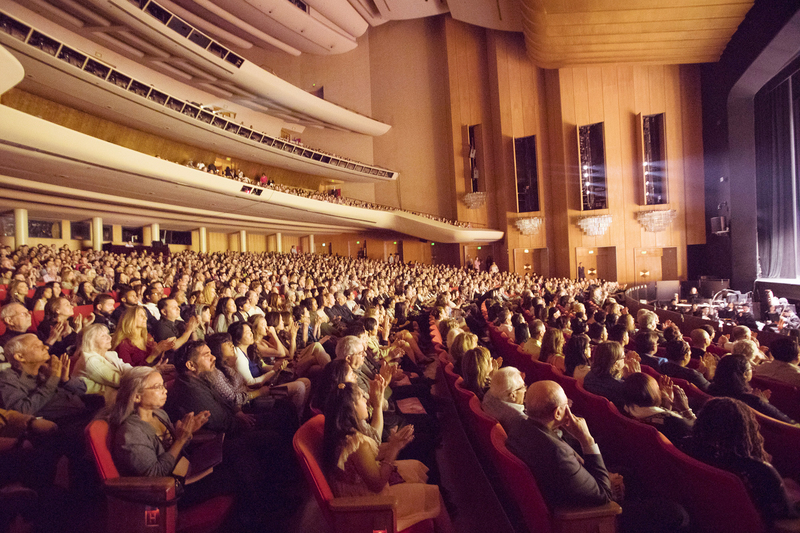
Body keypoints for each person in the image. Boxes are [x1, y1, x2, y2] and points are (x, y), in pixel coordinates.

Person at [322, 381, 449, 532]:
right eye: (361, 397)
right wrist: (393, 449)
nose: (366, 399)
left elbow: (369, 456)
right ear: (351, 408)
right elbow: (377, 484)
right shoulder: (355, 443)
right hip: (370, 507)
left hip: (358, 492)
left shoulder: (343, 435)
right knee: (434, 495)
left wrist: (393, 443)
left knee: (415, 466)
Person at [687, 398, 800, 524]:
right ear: (746, 430)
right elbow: (785, 516)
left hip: (710, 515)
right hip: (765, 520)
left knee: (789, 482)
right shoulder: (760, 470)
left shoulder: (687, 446)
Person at [505, 380, 614, 508]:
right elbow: (604, 495)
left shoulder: (519, 425)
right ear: (557, 413)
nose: (569, 406)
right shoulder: (558, 453)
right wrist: (586, 439)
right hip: (578, 512)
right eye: (566, 403)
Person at [708, 354, 795, 424]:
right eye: (750, 369)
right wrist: (764, 402)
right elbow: (787, 422)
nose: (753, 370)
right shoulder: (752, 400)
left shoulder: (712, 388)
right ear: (744, 374)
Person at [622, 372, 695, 444]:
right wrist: (685, 409)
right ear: (650, 395)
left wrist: (666, 405)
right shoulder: (676, 422)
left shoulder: (627, 408)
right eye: (657, 387)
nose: (660, 391)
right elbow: (698, 432)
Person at [73, 323, 132, 402]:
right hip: (98, 404)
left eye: (107, 334)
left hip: (116, 397)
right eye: (103, 336)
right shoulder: (90, 361)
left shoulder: (110, 354)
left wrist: (144, 373)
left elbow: (127, 368)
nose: (109, 338)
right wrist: (143, 377)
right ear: (91, 341)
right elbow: (119, 381)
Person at [583, 341, 640, 410]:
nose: (625, 360)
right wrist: (637, 379)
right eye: (623, 357)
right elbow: (637, 407)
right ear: (616, 364)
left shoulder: (588, 376)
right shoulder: (621, 388)